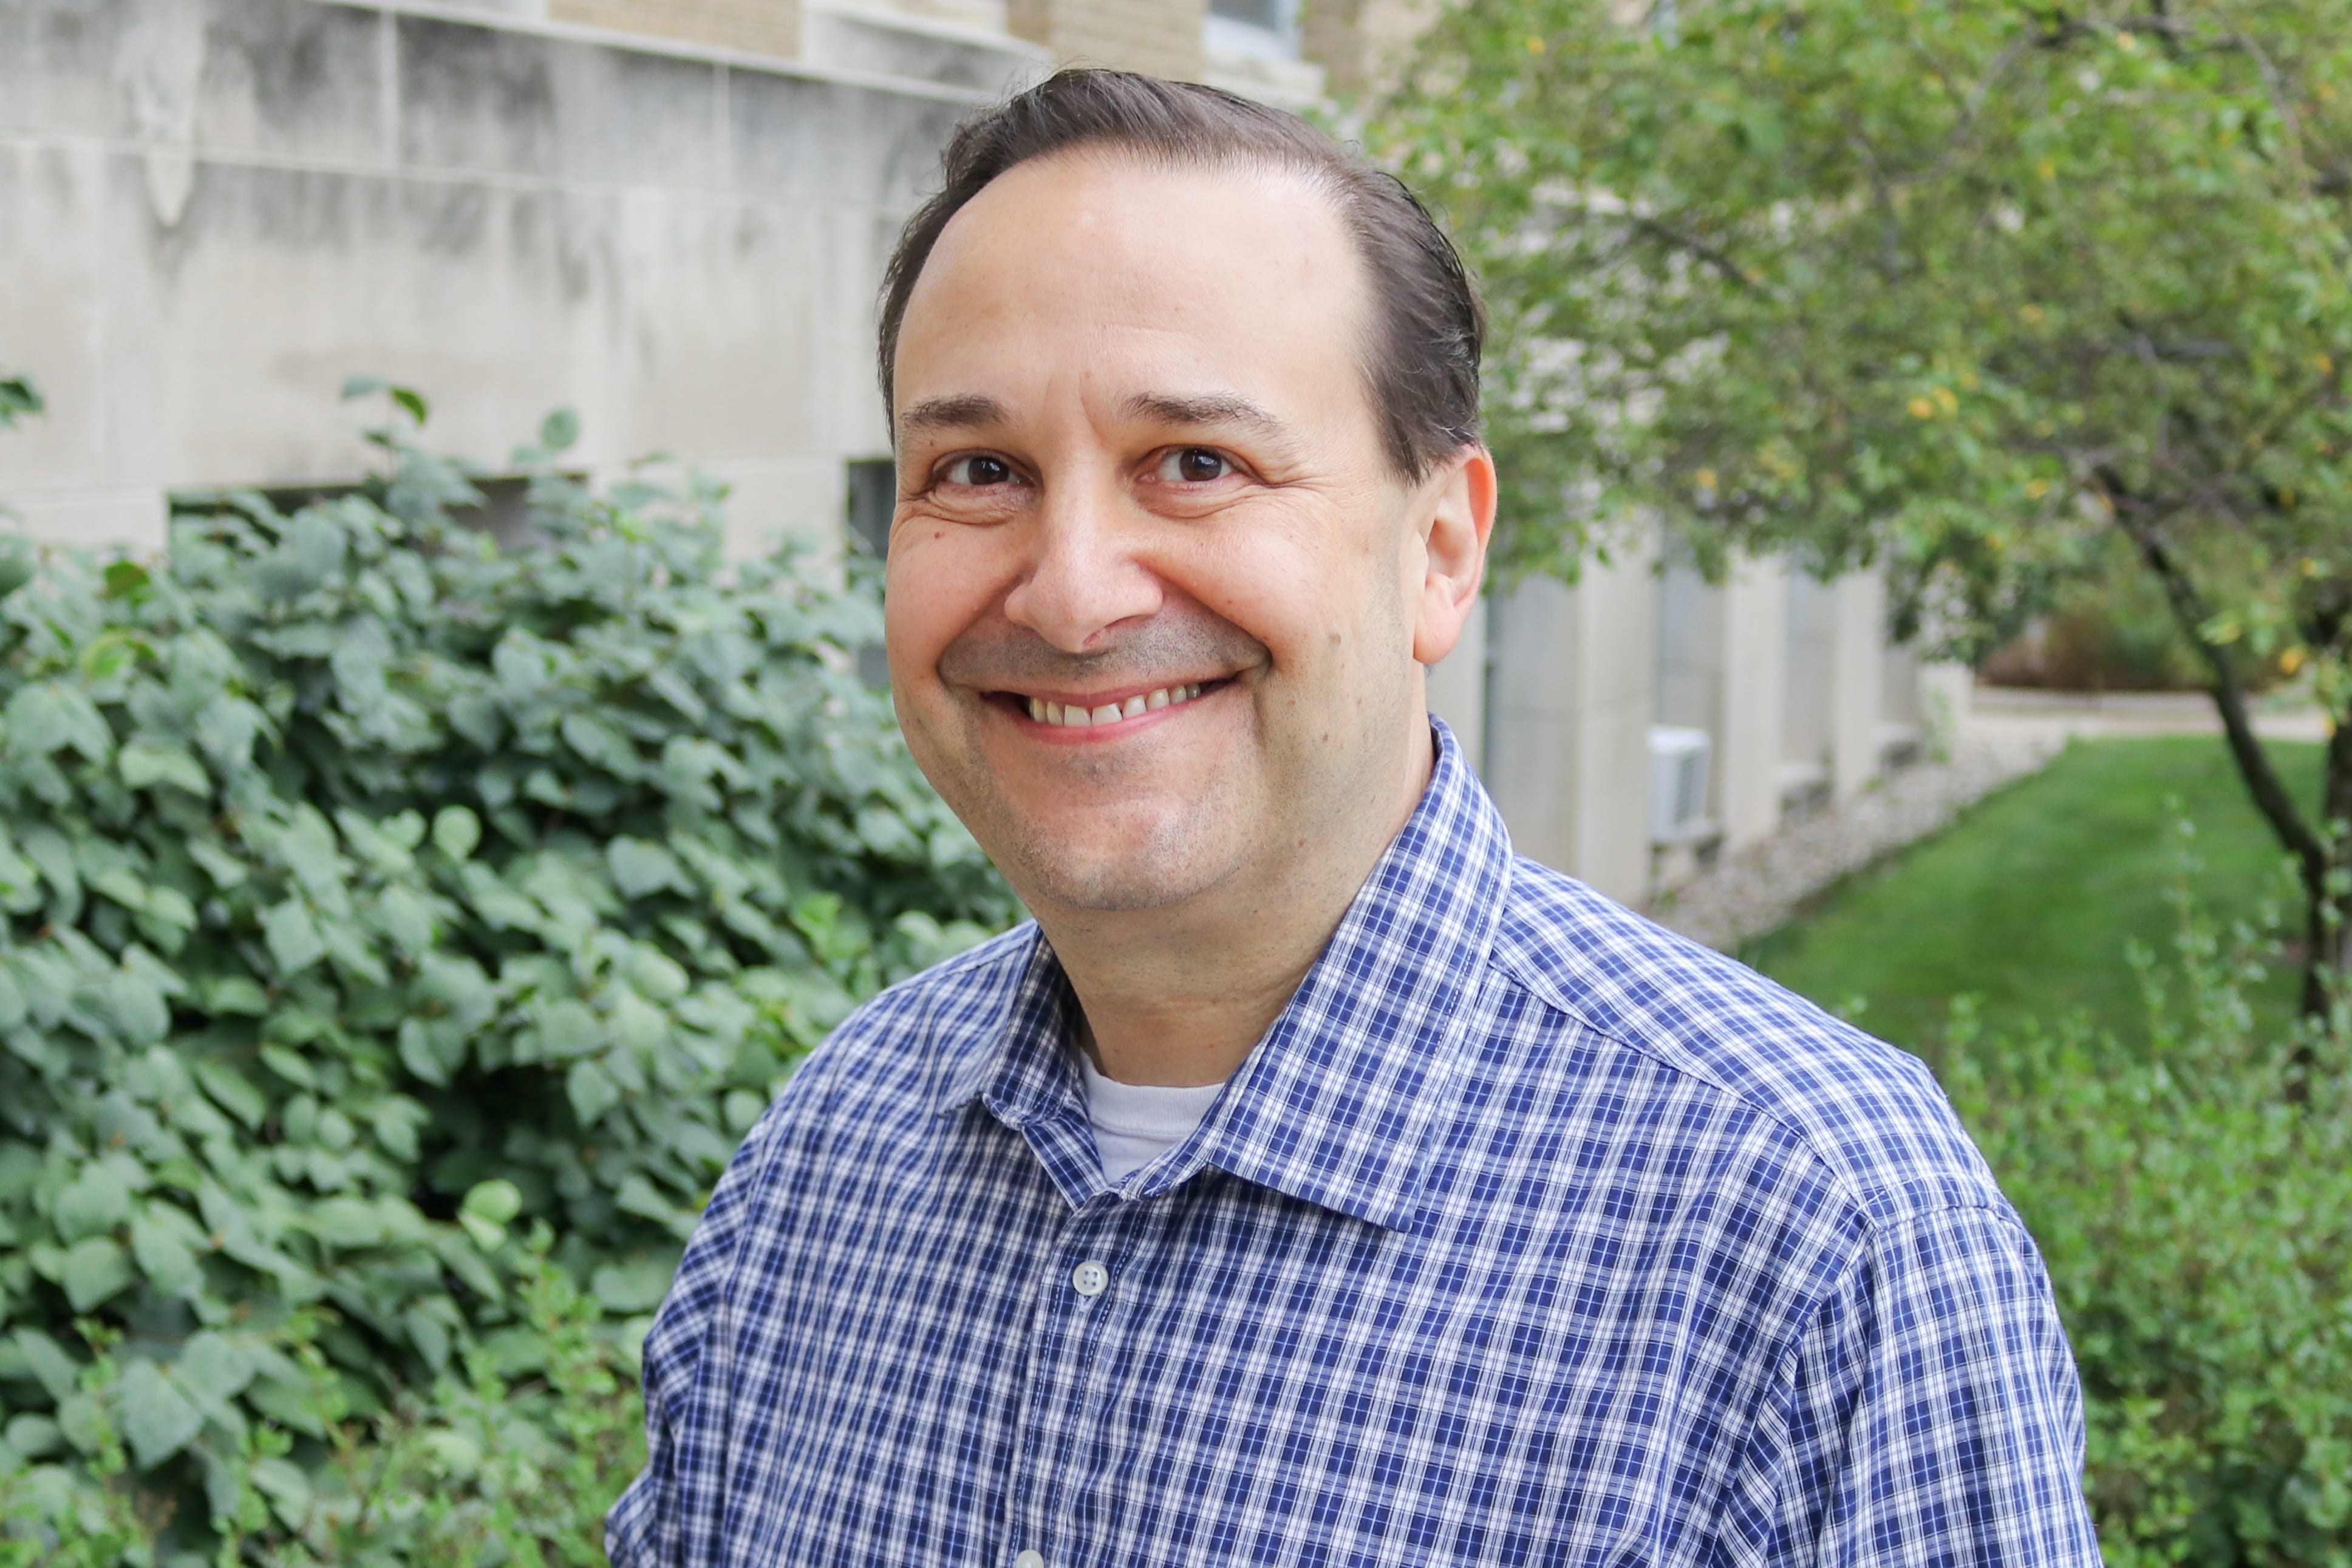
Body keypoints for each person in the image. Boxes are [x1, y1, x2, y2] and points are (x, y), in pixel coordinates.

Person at [607, 69, 2100, 1568]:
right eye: (977, 472)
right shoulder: (829, 1149)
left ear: (1438, 549)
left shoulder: (1813, 1232)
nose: (1069, 594)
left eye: (1196, 464)